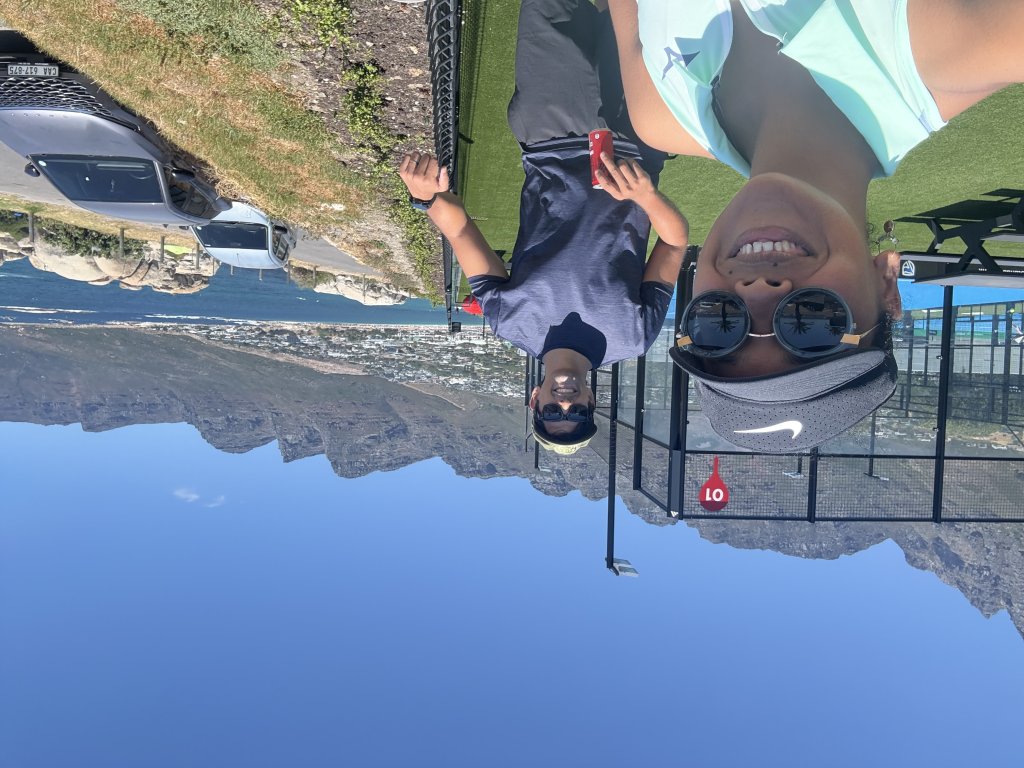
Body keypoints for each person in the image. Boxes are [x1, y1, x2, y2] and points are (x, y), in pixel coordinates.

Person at [607, 0, 1024, 451]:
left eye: (719, 325)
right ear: (887, 284)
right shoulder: (971, 41)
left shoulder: (661, 116)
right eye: (812, 321)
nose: (758, 288)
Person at [399, 0, 690, 455]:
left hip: (551, 129)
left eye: (551, 413)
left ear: (535, 400)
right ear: (592, 402)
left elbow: (460, 233)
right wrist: (647, 198)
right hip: (634, 137)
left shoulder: (509, 320)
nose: (565, 405)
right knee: (651, 14)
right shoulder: (633, 337)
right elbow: (674, 245)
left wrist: (428, 198)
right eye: (578, 414)